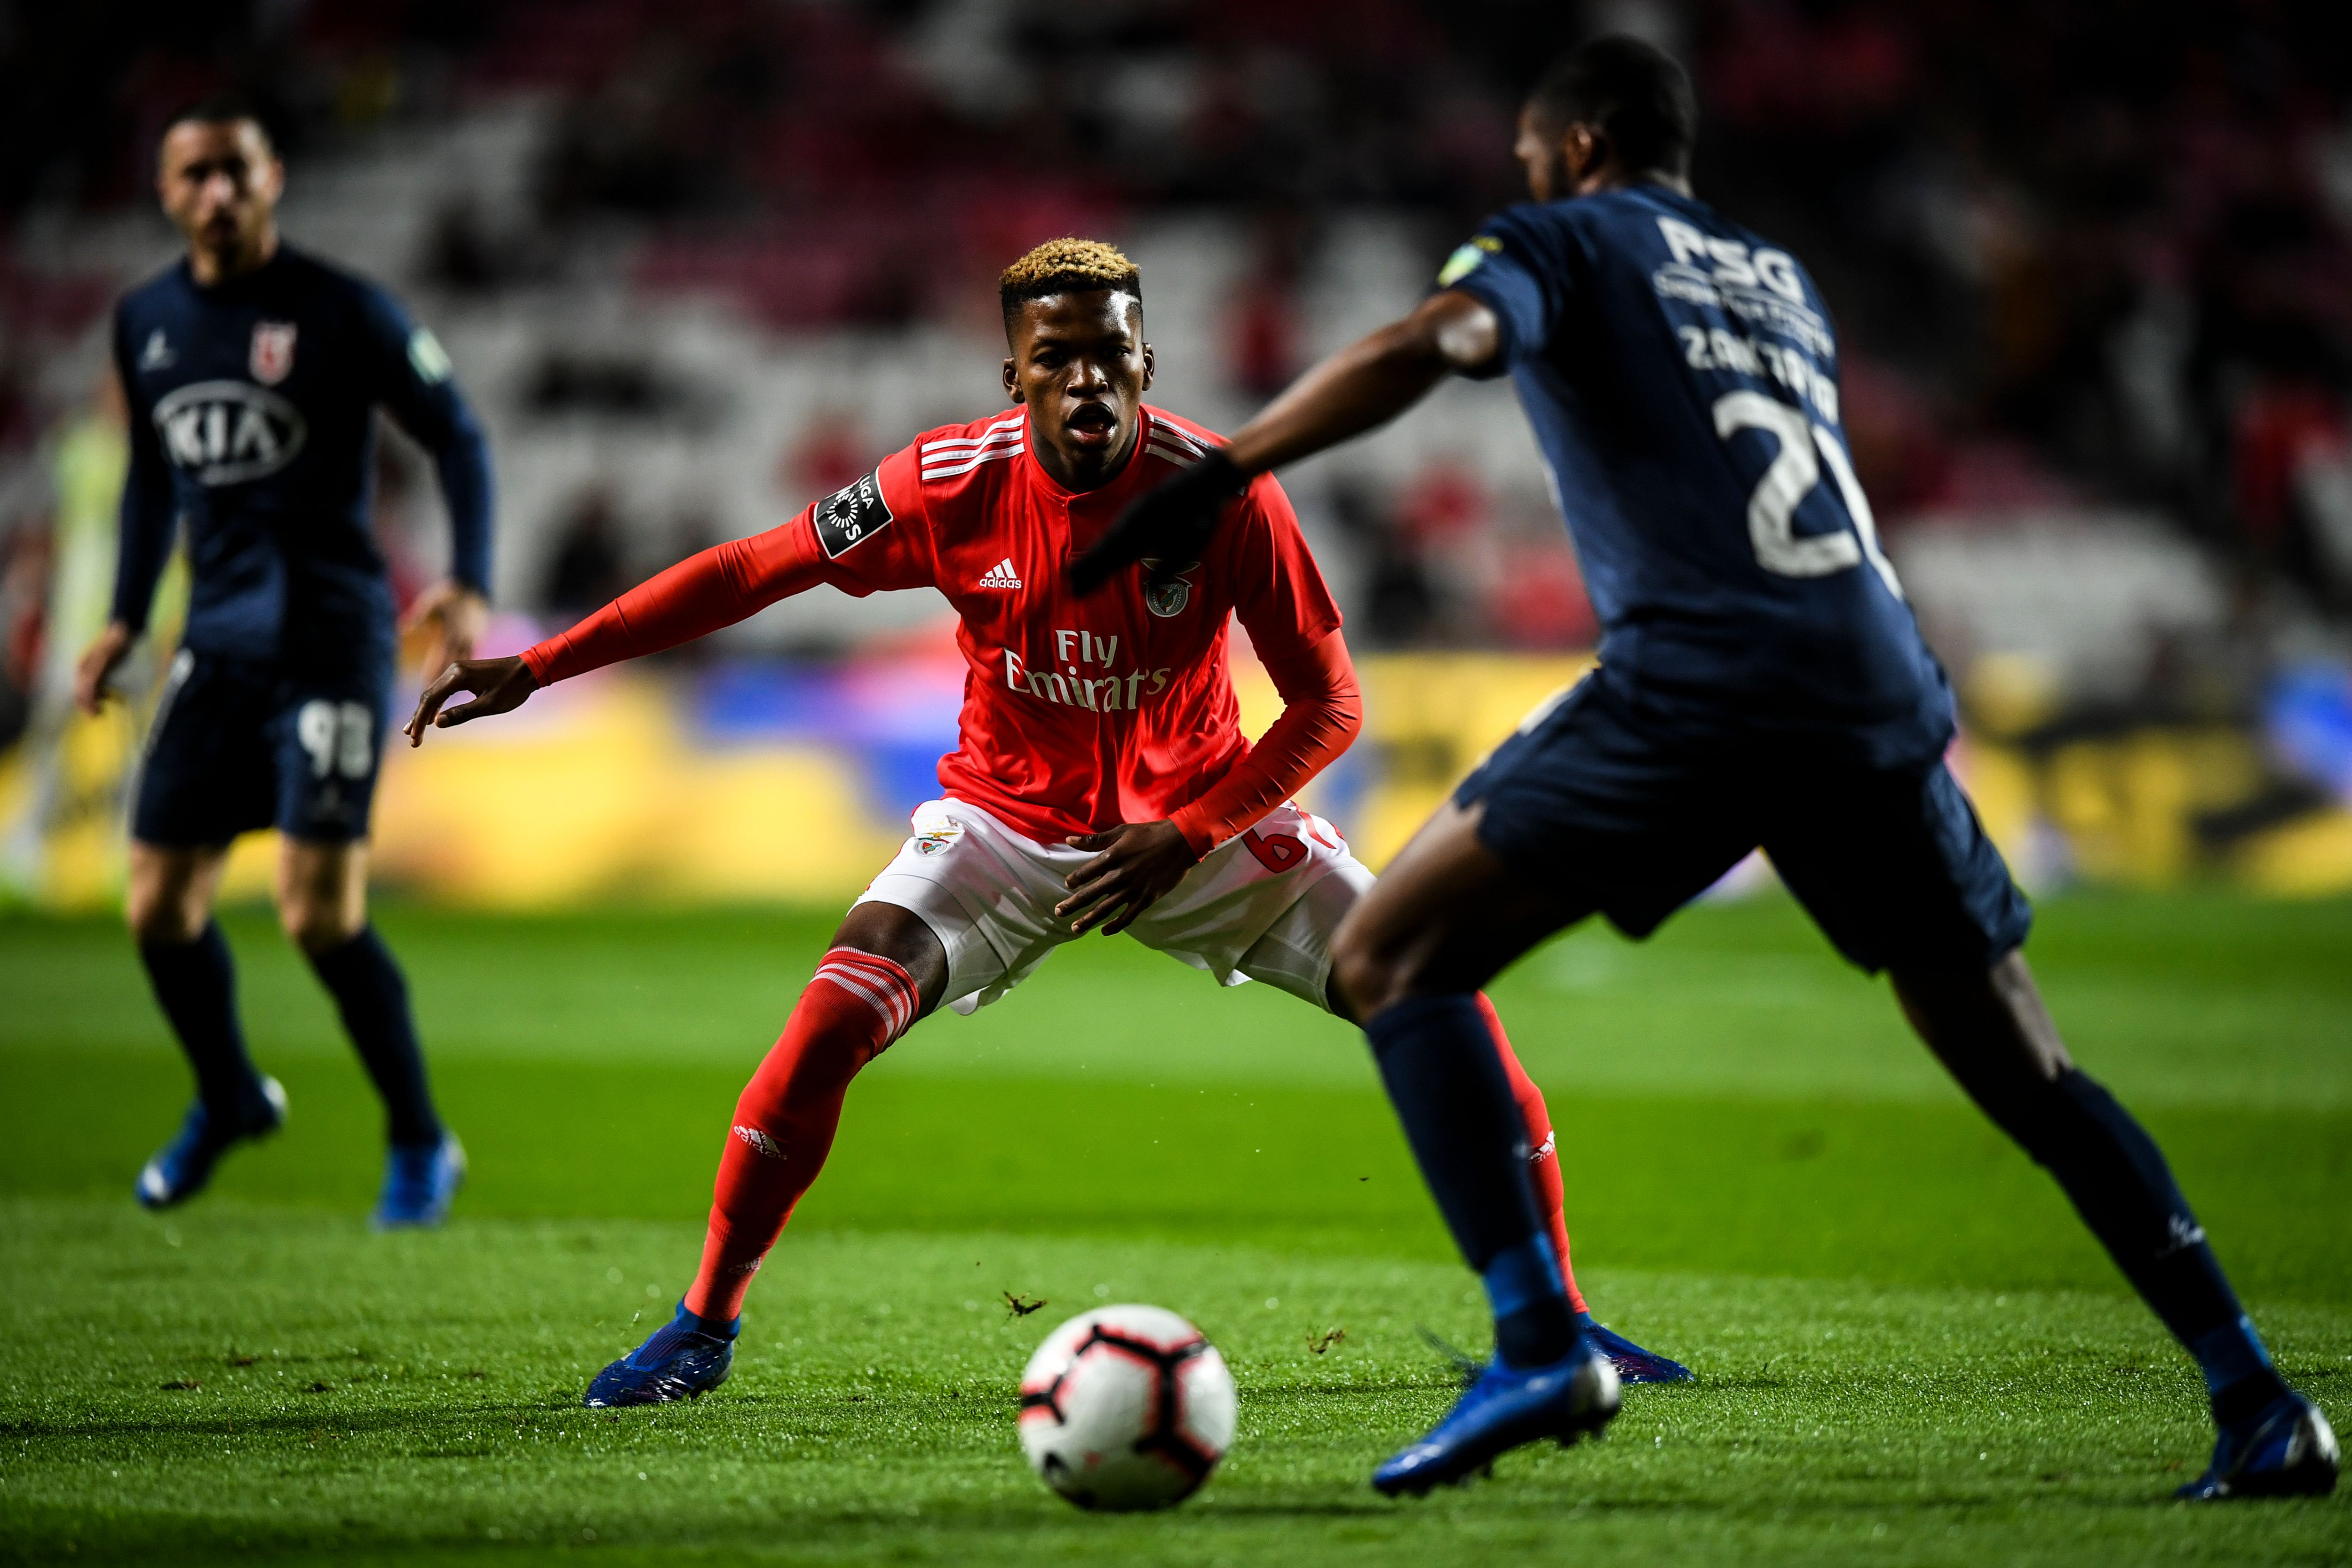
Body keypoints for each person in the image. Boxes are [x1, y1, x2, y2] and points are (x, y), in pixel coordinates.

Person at [1074, 37, 2338, 1503]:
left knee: (1392, 953)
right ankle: (2258, 1396)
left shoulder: (1562, 238)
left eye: (1532, 157)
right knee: (2028, 1066)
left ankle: (1540, 1343)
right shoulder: (1780, 279)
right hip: (1873, 677)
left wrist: (1228, 469)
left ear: (1581, 145)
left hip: (1707, 675)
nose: (1525, 176)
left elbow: (1440, 340)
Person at [408, 238, 1688, 1406]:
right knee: (823, 1029)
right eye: (1055, 356)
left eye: (1109, 355)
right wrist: (545, 663)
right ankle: (703, 1323)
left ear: (1147, 364)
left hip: (1200, 827)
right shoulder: (943, 483)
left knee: (1453, 1011)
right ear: (1012, 375)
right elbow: (756, 568)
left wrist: (1190, 830)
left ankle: (1562, 1320)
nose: (1086, 380)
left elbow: (1330, 704)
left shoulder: (1225, 495)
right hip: (1003, 828)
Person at [77, 95, 490, 1226]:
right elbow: (152, 480)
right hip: (215, 643)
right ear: (167, 192)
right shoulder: (146, 319)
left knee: (317, 914)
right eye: (195, 174)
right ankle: (228, 1095)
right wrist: (123, 617)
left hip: (329, 639)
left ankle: (420, 1138)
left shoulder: (342, 309)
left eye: (236, 170)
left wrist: (469, 579)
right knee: (157, 904)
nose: (217, 192)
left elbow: (456, 432)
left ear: (274, 179)